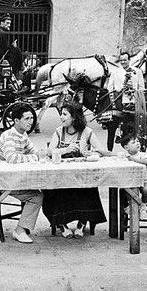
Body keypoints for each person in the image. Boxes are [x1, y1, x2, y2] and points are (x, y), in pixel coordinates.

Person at [43, 101, 109, 238]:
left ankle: (82, 223)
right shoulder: (59, 131)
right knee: (54, 191)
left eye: (64, 114)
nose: (61, 117)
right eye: (61, 114)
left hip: (80, 176)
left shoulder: (87, 132)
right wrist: (65, 150)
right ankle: (61, 225)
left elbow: (100, 151)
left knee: (88, 189)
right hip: (61, 176)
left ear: (74, 117)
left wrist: (91, 154)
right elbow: (49, 151)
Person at [0, 103, 44, 243]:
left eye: (31, 118)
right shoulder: (9, 135)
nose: (31, 121)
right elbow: (12, 158)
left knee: (42, 189)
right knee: (36, 196)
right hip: (3, 181)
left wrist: (35, 155)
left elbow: (35, 152)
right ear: (16, 121)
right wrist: (34, 157)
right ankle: (20, 230)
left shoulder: (23, 135)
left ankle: (24, 227)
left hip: (13, 178)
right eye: (27, 118)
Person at [105, 52, 145, 151]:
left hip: (134, 103)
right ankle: (112, 146)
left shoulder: (137, 71)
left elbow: (142, 88)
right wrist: (119, 90)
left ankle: (135, 148)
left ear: (129, 60)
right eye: (121, 60)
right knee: (113, 126)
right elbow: (110, 88)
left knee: (136, 127)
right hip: (119, 103)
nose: (123, 62)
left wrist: (133, 90)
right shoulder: (115, 73)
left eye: (125, 60)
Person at [120, 133, 147, 219]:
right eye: (134, 142)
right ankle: (128, 206)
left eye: (138, 141)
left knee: (146, 190)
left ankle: (143, 206)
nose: (138, 143)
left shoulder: (142, 155)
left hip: (143, 181)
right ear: (126, 148)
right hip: (130, 181)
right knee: (124, 189)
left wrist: (132, 159)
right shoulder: (125, 157)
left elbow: (145, 162)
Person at [0, 14, 22, 78]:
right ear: (1, 23)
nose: (9, 25)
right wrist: (13, 47)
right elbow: (5, 48)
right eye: (7, 23)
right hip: (0, 61)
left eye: (10, 23)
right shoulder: (2, 33)